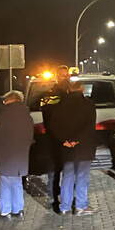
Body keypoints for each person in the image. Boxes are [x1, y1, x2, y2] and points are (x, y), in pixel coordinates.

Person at [49, 80, 97, 215]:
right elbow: (89, 127)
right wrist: (77, 140)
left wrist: (65, 140)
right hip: (84, 148)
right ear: (81, 90)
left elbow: (53, 126)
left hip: (66, 149)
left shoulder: (60, 106)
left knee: (67, 176)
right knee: (82, 177)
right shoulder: (88, 105)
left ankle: (65, 207)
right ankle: (81, 206)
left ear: (69, 90)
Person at [0, 90, 34, 220]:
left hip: (5, 154)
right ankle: (18, 210)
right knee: (16, 181)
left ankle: (6, 211)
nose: (4, 102)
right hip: (21, 154)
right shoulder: (27, 115)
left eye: (5, 100)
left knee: (5, 182)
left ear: (10, 100)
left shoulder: (4, 115)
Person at [40, 67, 72, 209]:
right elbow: (47, 118)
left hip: (70, 139)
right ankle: (55, 200)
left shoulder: (72, 93)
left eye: (66, 75)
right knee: (55, 171)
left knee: (70, 170)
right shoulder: (50, 94)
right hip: (55, 138)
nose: (64, 78)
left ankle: (70, 198)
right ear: (57, 77)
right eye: (62, 76)